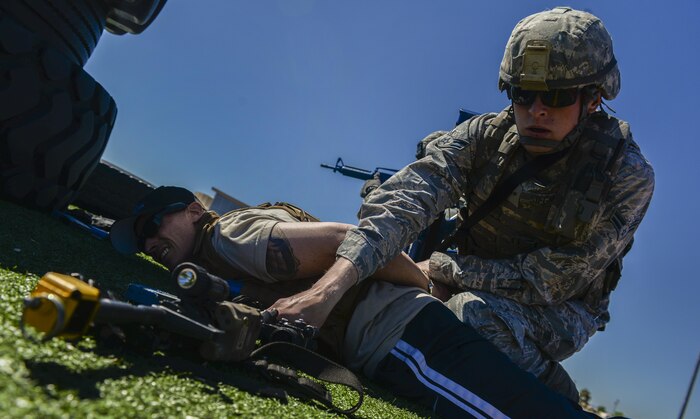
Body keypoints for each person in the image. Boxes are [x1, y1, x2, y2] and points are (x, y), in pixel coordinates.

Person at [267, 7, 655, 402]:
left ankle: (552, 391)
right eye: (524, 94)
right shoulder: (486, 135)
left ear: (593, 100)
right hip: (468, 271)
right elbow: (406, 197)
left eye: (556, 97)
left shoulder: (625, 176)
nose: (537, 110)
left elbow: (551, 279)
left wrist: (443, 270)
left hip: (561, 308)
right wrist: (327, 292)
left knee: (468, 318)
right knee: (373, 273)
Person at [111, 186, 598, 418]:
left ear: (195, 210)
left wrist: (417, 284)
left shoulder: (227, 238)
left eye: (157, 222)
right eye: (142, 238)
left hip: (397, 334)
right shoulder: (218, 252)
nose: (151, 238)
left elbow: (349, 238)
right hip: (394, 335)